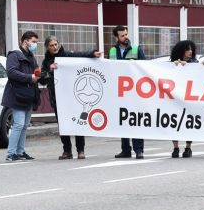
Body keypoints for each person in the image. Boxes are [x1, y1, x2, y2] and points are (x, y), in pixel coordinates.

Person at [42, 36, 101, 159]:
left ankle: (80, 150)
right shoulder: (46, 61)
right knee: (63, 125)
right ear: (47, 47)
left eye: (56, 44)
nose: (55, 47)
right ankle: (67, 151)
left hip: (72, 97)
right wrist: (49, 70)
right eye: (51, 45)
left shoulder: (67, 55)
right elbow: (42, 79)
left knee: (78, 123)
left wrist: (92, 53)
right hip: (57, 98)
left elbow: (81, 55)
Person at [2, 31, 42, 161]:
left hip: (29, 95)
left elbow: (36, 72)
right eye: (33, 42)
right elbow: (11, 72)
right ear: (25, 41)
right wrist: (29, 77)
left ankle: (20, 152)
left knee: (24, 126)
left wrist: (41, 74)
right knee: (18, 124)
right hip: (17, 95)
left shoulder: (31, 56)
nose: (35, 45)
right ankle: (11, 153)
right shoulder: (14, 55)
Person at [108, 26, 147, 159]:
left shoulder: (136, 49)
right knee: (122, 120)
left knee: (135, 120)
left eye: (126, 34)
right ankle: (125, 149)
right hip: (120, 91)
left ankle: (139, 150)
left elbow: (145, 68)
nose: (125, 37)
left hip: (135, 91)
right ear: (116, 37)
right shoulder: (112, 50)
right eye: (122, 35)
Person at [170, 40, 198, 158]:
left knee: (189, 122)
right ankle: (175, 147)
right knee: (173, 122)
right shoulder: (172, 63)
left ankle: (188, 147)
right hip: (175, 98)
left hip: (189, 98)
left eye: (191, 49)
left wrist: (189, 65)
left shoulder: (194, 63)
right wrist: (175, 65)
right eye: (187, 49)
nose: (190, 52)